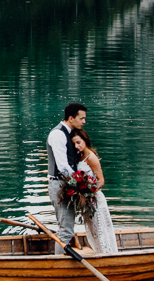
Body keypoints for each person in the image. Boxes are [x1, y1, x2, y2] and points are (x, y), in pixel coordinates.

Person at [46, 102, 87, 252]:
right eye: (81, 118)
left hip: (66, 184)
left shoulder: (70, 134)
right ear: (71, 118)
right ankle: (58, 263)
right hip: (59, 185)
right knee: (66, 230)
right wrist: (81, 183)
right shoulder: (58, 134)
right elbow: (62, 166)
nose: (84, 122)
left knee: (66, 228)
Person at [70, 129, 117, 255]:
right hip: (86, 201)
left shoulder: (91, 157)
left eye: (79, 142)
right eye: (74, 144)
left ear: (85, 140)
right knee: (92, 230)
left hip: (95, 199)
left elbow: (101, 181)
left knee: (100, 229)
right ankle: (97, 252)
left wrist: (89, 191)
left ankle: (107, 254)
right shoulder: (79, 157)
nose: (77, 146)